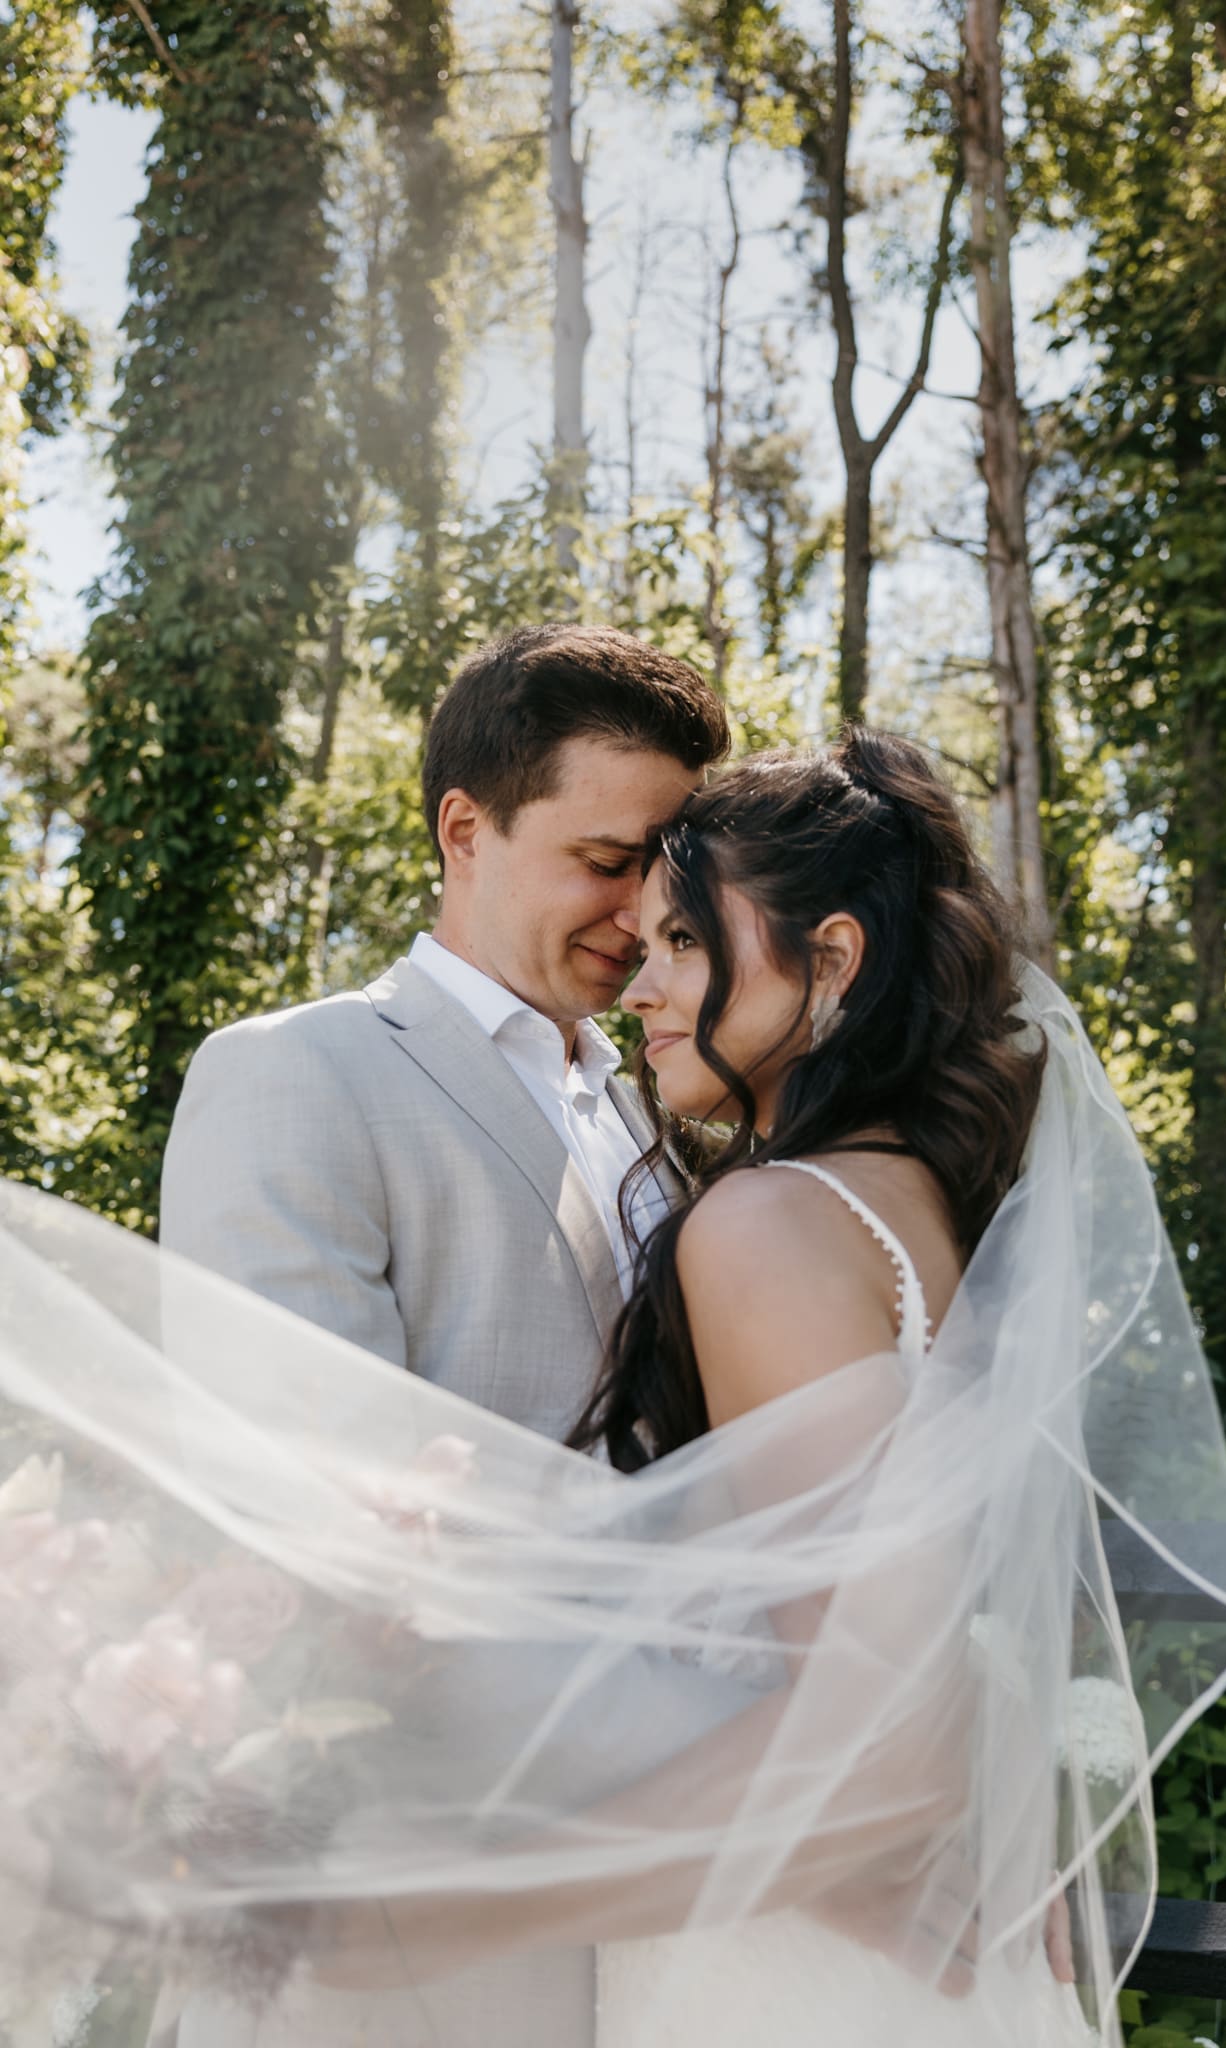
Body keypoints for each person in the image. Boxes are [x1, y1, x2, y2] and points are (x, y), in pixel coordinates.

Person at [0, 730, 1226, 2048]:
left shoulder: (761, 1217)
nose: (637, 983)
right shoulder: (905, 1199)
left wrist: (428, 1912)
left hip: (765, 1933)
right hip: (798, 1889)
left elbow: (885, 1722)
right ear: (460, 830)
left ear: (830, 960)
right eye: (617, 897)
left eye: (680, 941)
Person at [158, 622, 728, 2047]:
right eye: (604, 861)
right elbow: (315, 1501)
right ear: (463, 828)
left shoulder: (663, 1105)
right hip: (408, 1860)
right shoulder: (296, 1074)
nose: (638, 911)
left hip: (645, 1875)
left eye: (665, 875)